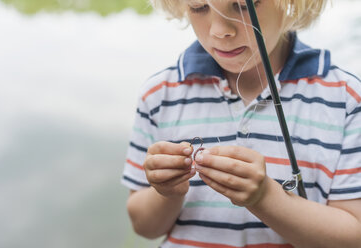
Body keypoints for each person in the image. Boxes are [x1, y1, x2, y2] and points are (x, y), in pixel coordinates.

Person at [121, 0, 361, 247]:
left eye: (242, 5)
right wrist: (167, 193)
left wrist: (265, 197)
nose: (219, 30)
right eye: (199, 7)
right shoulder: (160, 95)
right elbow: (144, 227)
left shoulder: (346, 99)